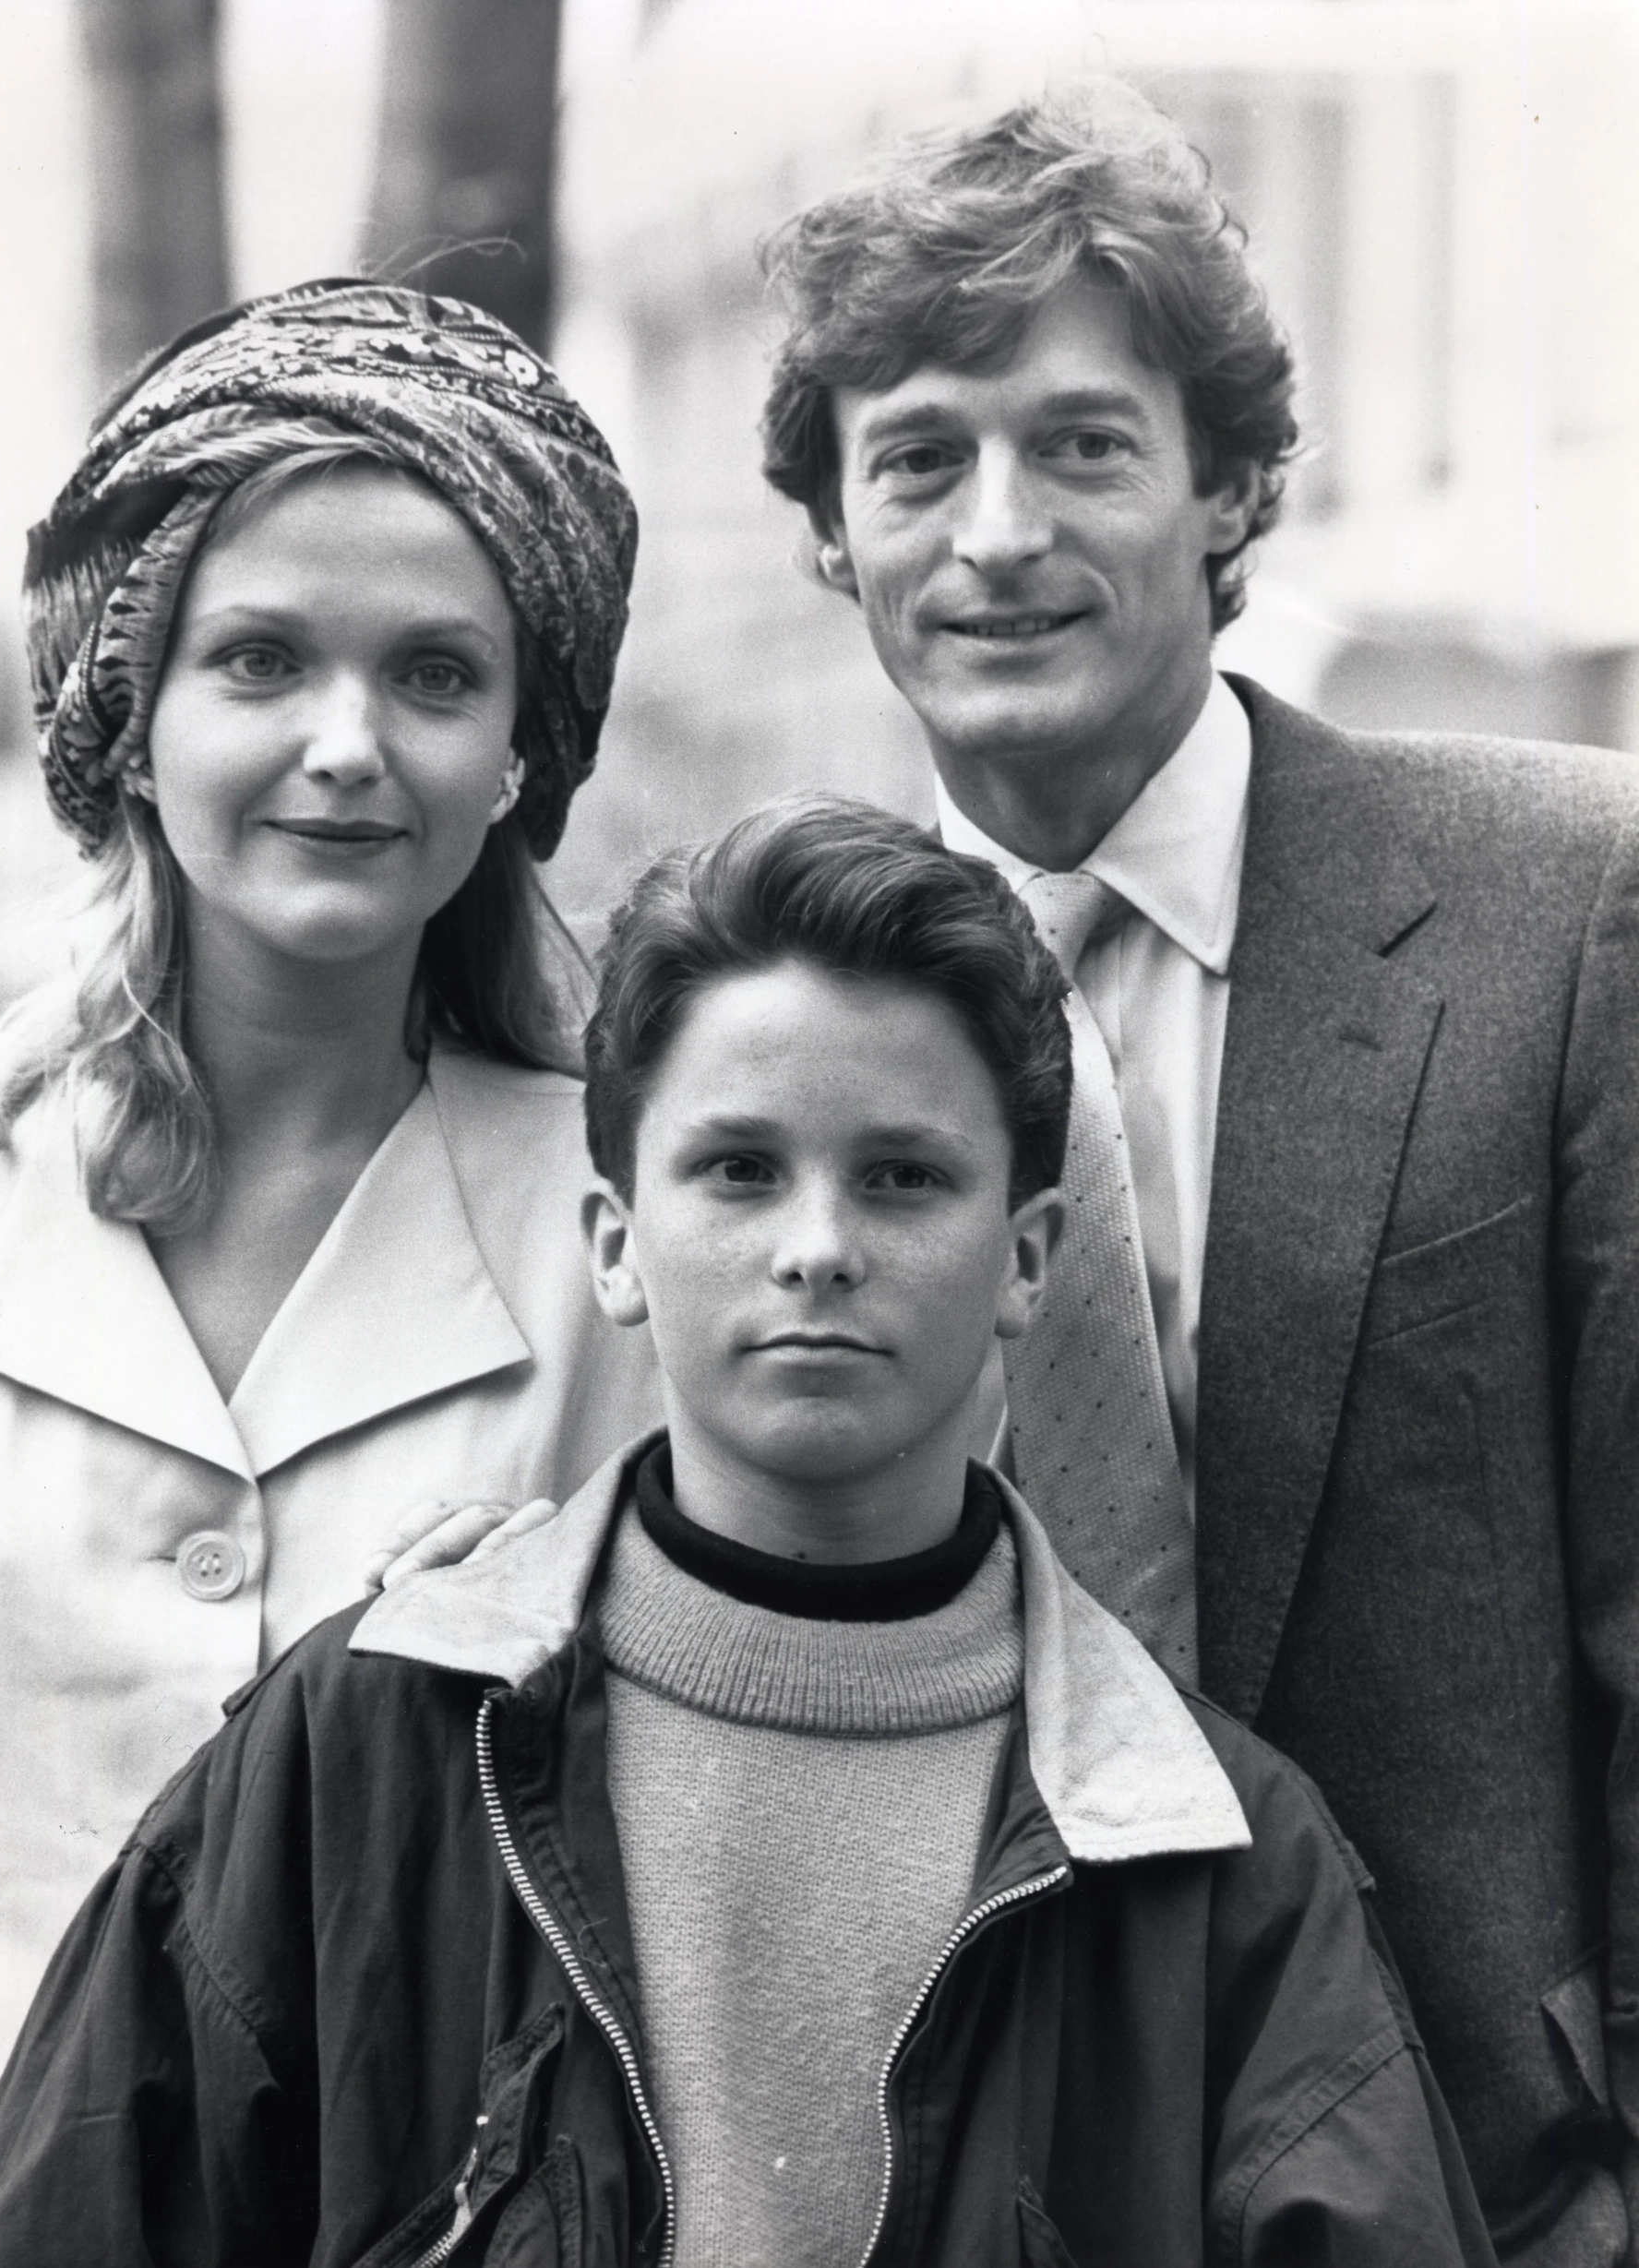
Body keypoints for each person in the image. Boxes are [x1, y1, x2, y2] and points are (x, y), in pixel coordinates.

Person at [0, 797, 1492, 2268]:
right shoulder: (363, 1749)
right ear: (614, 1239)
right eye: (740, 1169)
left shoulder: (1219, 1856)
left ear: (1024, 1261)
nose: (818, 1248)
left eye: (902, 1178)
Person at [753, 84, 1639, 2264]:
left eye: (1082, 443)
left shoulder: (1564, 904)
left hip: (1494, 2178)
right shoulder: (759, 999)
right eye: (920, 460)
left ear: (1232, 486)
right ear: (831, 536)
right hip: (951, 2174)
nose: (996, 535)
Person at [0, 280, 659, 2261]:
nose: (344, 744)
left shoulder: (633, 1228)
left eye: (433, 674)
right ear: (126, 721)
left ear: (518, 754)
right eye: (260, 660)